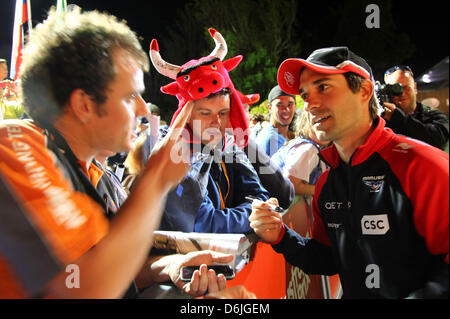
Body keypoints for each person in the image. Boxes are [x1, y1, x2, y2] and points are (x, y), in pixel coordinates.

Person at [0, 8, 230, 298]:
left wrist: (171, 266)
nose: (144, 109)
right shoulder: (14, 146)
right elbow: (81, 286)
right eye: (130, 96)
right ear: (84, 105)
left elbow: (118, 269)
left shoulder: (99, 175)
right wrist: (155, 181)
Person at [250, 46, 449, 298]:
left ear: (364, 91)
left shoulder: (423, 166)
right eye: (305, 94)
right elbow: (328, 258)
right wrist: (280, 235)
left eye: (323, 87)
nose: (310, 104)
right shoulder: (327, 183)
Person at [382, 65, 449, 150]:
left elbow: (439, 140)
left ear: (415, 87)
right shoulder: (383, 121)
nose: (402, 93)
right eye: (395, 89)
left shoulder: (433, 115)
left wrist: (399, 119)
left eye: (406, 87)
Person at [271, 110, 329, 197]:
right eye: (317, 124)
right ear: (305, 125)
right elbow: (291, 184)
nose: (324, 129)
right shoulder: (308, 149)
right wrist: (326, 191)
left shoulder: (303, 144)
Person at [255, 85, 296, 157]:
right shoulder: (272, 138)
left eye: (290, 104)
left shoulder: (283, 136)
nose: (287, 109)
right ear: (270, 108)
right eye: (280, 105)